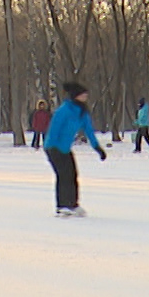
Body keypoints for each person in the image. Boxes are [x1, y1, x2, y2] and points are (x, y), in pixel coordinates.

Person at [45, 81, 107, 217]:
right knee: (63, 175)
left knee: (73, 174)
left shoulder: (82, 113)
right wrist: (53, 149)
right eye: (83, 95)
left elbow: (89, 131)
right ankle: (62, 206)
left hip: (65, 149)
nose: (86, 97)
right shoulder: (64, 110)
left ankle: (72, 204)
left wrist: (98, 148)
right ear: (75, 96)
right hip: (54, 147)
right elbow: (54, 130)